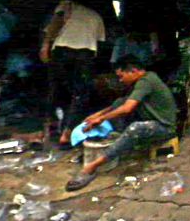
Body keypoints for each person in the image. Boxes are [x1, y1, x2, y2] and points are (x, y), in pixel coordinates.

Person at [65, 56, 176, 191]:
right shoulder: (142, 81)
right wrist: (97, 115)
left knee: (135, 128)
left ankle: (92, 166)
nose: (120, 80)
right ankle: (108, 152)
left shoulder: (146, 81)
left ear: (133, 71)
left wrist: (101, 119)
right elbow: (121, 103)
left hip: (165, 128)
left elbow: (127, 108)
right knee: (119, 104)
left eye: (121, 76)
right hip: (151, 122)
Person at [41, 0, 106, 146]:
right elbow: (99, 42)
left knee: (56, 89)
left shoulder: (67, 5)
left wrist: (45, 45)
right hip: (85, 55)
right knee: (80, 94)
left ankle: (48, 128)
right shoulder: (96, 16)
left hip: (62, 52)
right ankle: (67, 132)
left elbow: (55, 24)